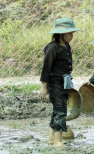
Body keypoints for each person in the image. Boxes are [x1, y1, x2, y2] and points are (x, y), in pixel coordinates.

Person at [39, 17, 82, 147]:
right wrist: (44, 86)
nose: (72, 35)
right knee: (61, 110)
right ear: (61, 34)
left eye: (72, 33)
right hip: (54, 83)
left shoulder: (66, 46)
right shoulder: (52, 48)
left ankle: (51, 138)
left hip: (64, 83)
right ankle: (58, 141)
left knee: (57, 109)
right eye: (70, 33)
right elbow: (46, 68)